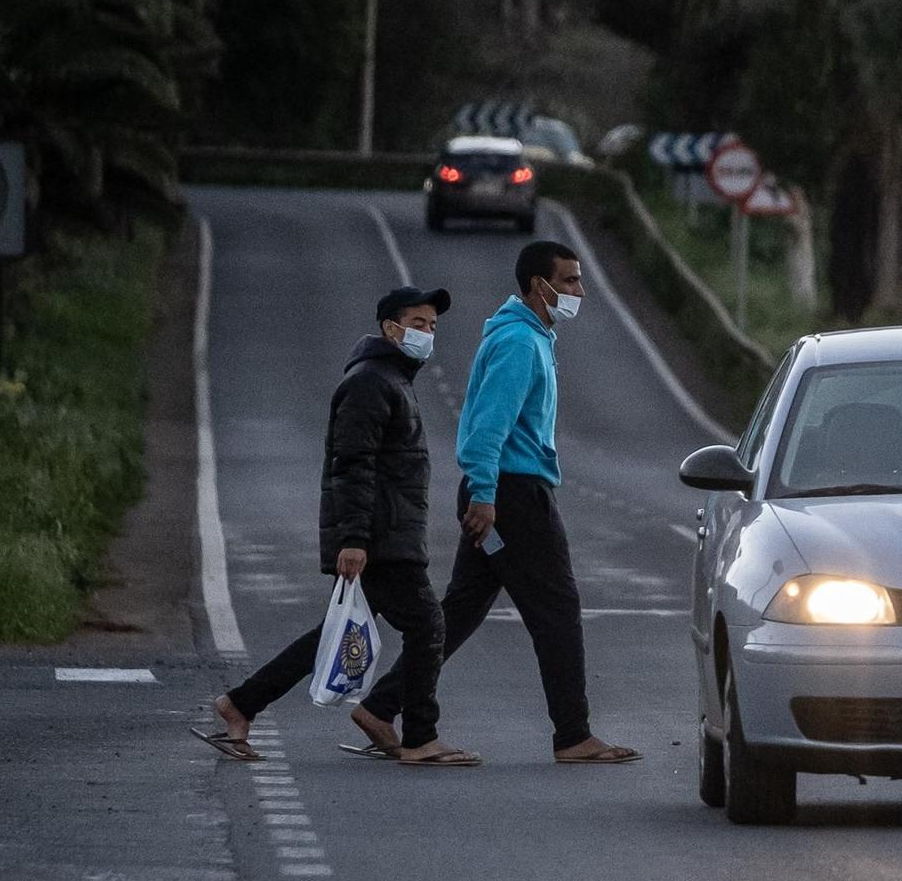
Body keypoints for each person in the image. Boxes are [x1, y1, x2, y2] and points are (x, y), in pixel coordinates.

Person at [351, 241, 641, 764]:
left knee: (461, 609)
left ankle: (381, 704)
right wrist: (485, 496)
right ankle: (573, 735)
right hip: (511, 493)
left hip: (505, 490)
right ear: (538, 285)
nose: (580, 291)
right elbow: (488, 427)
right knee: (557, 609)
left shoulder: (533, 337)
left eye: (579, 280)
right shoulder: (519, 344)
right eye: (570, 281)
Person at [195, 287, 479, 766]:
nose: (427, 333)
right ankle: (419, 737)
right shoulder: (371, 382)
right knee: (430, 624)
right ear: (391, 328)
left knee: (332, 634)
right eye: (417, 323)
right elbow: (352, 465)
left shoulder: (391, 379)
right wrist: (353, 539)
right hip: (381, 537)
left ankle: (240, 705)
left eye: (432, 326)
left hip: (389, 533)